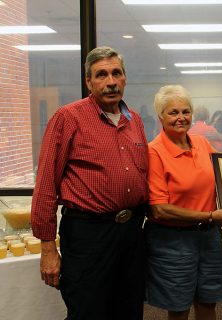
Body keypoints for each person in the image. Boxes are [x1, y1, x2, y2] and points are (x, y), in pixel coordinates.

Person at [31, 46, 148, 320]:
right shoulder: (68, 117)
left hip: (131, 234)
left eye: (116, 73)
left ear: (125, 78)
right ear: (88, 81)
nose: (110, 82)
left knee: (129, 310)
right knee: (88, 311)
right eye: (101, 75)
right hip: (89, 236)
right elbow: (46, 183)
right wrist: (48, 249)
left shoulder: (136, 121)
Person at [145, 85, 222, 320]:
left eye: (185, 111)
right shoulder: (154, 152)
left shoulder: (202, 143)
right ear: (160, 117)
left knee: (208, 302)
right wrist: (209, 216)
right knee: (179, 307)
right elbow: (159, 208)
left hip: (209, 238)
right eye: (173, 112)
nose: (181, 118)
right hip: (173, 242)